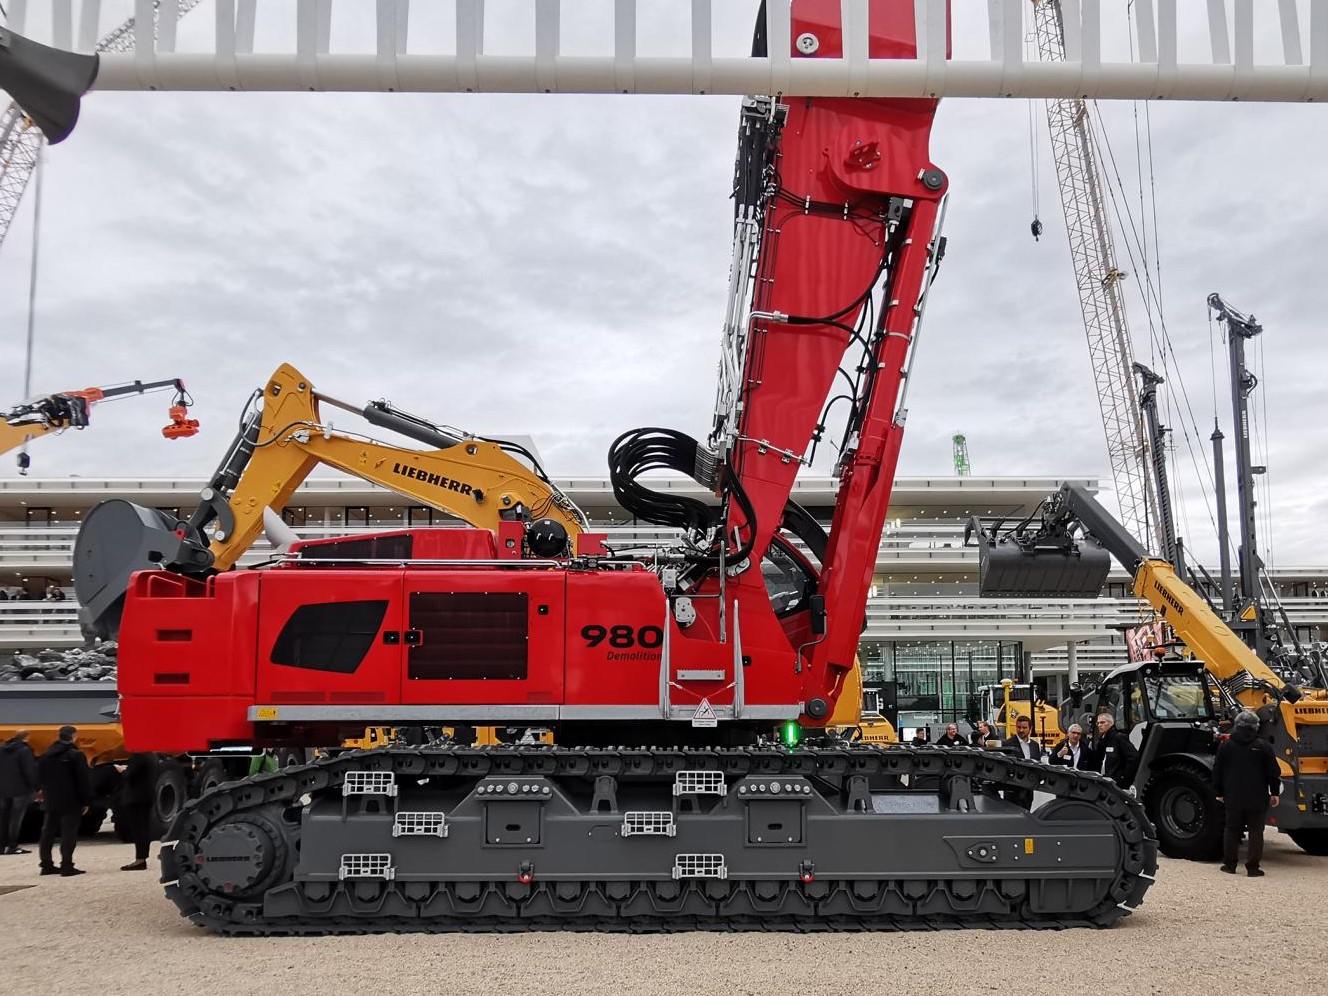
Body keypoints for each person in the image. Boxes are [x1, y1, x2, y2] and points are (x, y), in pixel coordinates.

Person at [1214, 710, 1281, 877]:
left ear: (1237, 725)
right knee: (1256, 831)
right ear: (1256, 727)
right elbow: (1273, 772)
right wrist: (1274, 792)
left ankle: (1229, 865)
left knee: (1231, 829)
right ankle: (1253, 868)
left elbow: (1218, 770)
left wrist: (1219, 791)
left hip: (1233, 795)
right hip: (1257, 796)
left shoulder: (1226, 745)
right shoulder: (1263, 746)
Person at [37, 725, 91, 876]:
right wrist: (86, 801)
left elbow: (39, 777)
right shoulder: (76, 755)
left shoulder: (46, 755)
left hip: (51, 799)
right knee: (68, 833)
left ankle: (46, 865)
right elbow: (82, 780)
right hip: (71, 800)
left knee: (47, 832)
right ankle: (67, 865)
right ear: (74, 736)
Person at [118, 752, 158, 871]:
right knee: (144, 828)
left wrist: (122, 770)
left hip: (135, 798)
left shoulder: (138, 756)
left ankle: (140, 859)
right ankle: (142, 857)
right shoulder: (152, 755)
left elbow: (129, 775)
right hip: (147, 796)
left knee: (138, 830)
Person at [1, 729, 39, 855]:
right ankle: (12, 846)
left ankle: (1, 846)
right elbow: (29, 771)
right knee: (16, 819)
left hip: (3, 789)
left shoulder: (2, 749)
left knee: (3, 818)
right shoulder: (24, 750)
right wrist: (35, 786)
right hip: (20, 789)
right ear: (26, 738)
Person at [1002, 716, 1044, 809]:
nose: (1021, 730)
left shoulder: (1035, 745)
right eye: (1019, 727)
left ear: (1030, 728)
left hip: (1028, 791)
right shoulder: (1007, 744)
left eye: (1024, 728)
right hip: (1012, 791)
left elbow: (1038, 764)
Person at [1093, 712, 1139, 788]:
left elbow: (1133, 757)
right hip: (1103, 780)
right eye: (1098, 723)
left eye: (1102, 722)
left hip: (1116, 783)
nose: (1099, 725)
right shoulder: (1101, 741)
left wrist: (1123, 777)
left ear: (1111, 723)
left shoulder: (1119, 737)